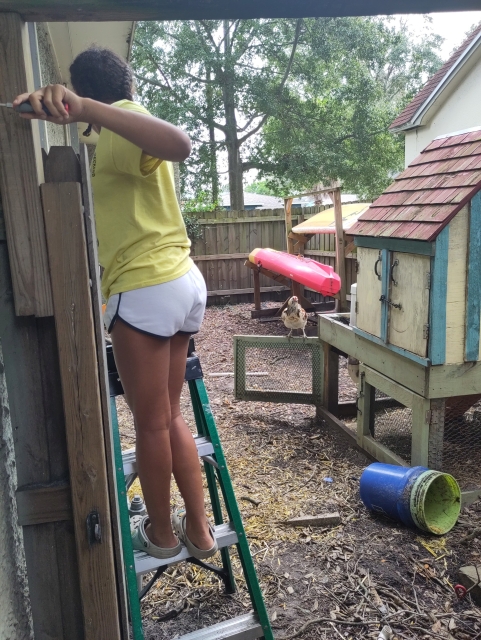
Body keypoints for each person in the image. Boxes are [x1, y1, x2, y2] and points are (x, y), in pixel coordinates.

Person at [14, 47, 218, 560]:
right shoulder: (115, 135)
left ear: (83, 89)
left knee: (152, 424)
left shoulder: (126, 120)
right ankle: (200, 532)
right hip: (175, 280)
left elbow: (180, 143)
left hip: (146, 284)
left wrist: (87, 109)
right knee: (170, 418)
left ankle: (163, 536)